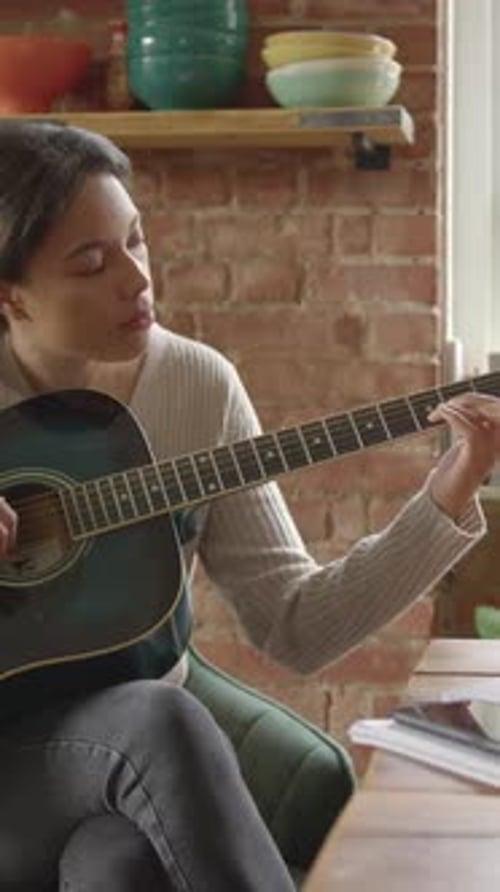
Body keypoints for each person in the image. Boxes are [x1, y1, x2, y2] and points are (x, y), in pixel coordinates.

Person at [0, 119, 498, 892]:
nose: (136, 281)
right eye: (92, 264)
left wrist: (449, 492)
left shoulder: (195, 386)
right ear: (12, 297)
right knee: (160, 723)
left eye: (136, 242)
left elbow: (297, 627)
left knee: (118, 865)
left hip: (122, 763)